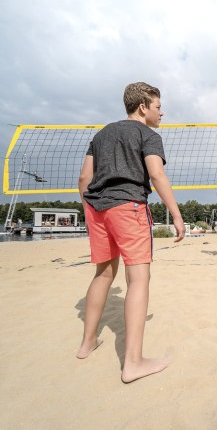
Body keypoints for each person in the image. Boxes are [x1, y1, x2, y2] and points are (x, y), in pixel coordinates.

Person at [77, 82, 186, 383]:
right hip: (129, 208)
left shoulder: (101, 135)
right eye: (158, 106)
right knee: (138, 279)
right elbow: (156, 174)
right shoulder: (148, 134)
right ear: (143, 107)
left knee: (103, 273)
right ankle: (134, 362)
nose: (162, 112)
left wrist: (91, 209)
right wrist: (176, 215)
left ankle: (87, 343)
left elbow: (85, 177)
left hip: (98, 210)